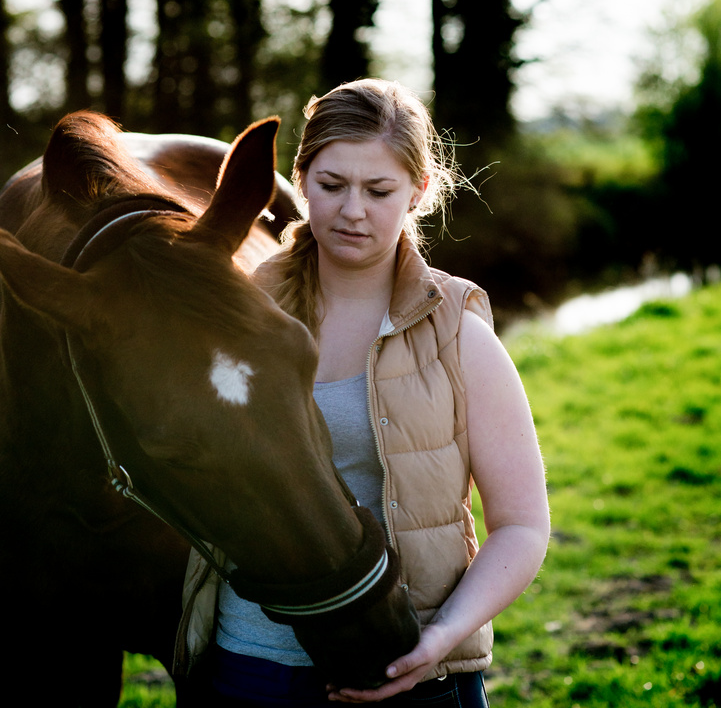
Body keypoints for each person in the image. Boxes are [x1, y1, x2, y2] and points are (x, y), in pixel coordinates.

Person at [179, 78, 550, 706]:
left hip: (409, 669)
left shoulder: (458, 330)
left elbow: (521, 525)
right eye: (331, 186)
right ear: (300, 181)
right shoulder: (237, 314)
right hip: (248, 668)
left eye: (378, 191)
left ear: (418, 192)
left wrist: (438, 643)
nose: (353, 210)